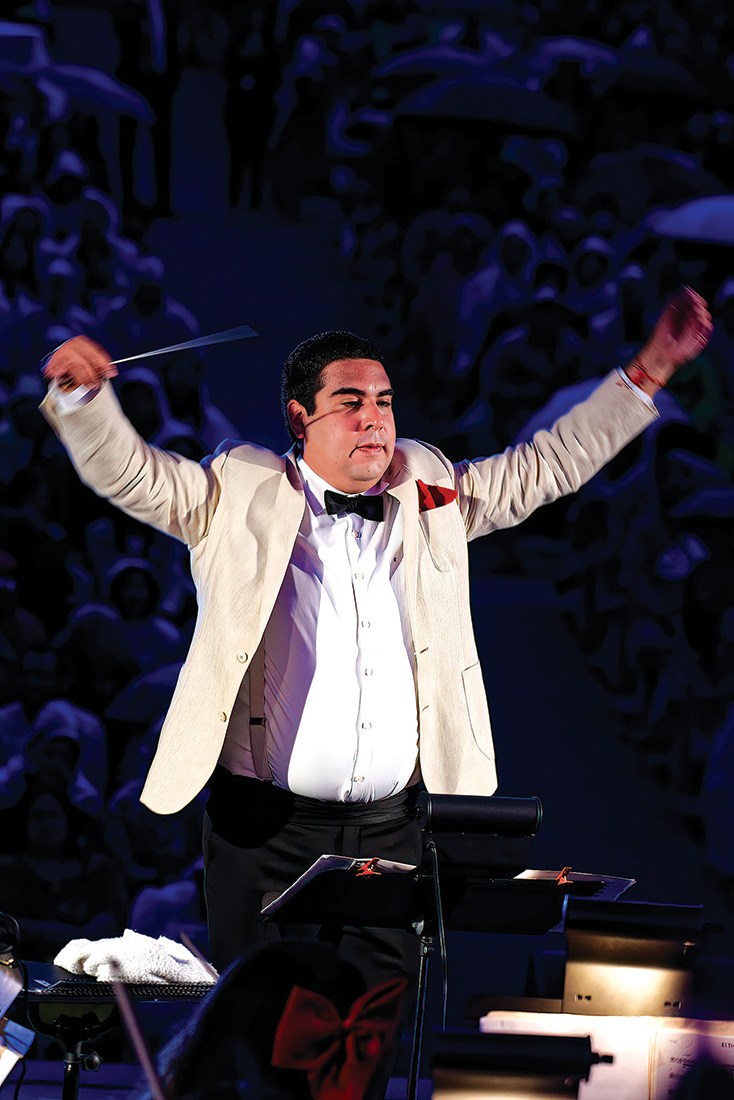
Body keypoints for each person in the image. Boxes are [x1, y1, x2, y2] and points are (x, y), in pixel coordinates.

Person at [39, 287, 712, 985]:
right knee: (262, 1023)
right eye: (350, 402)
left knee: (375, 1021)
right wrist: (83, 400)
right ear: (299, 417)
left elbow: (547, 466)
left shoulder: (431, 494)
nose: (374, 419)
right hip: (265, 834)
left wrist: (650, 371)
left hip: (393, 832)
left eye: (385, 402)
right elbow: (135, 475)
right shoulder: (234, 492)